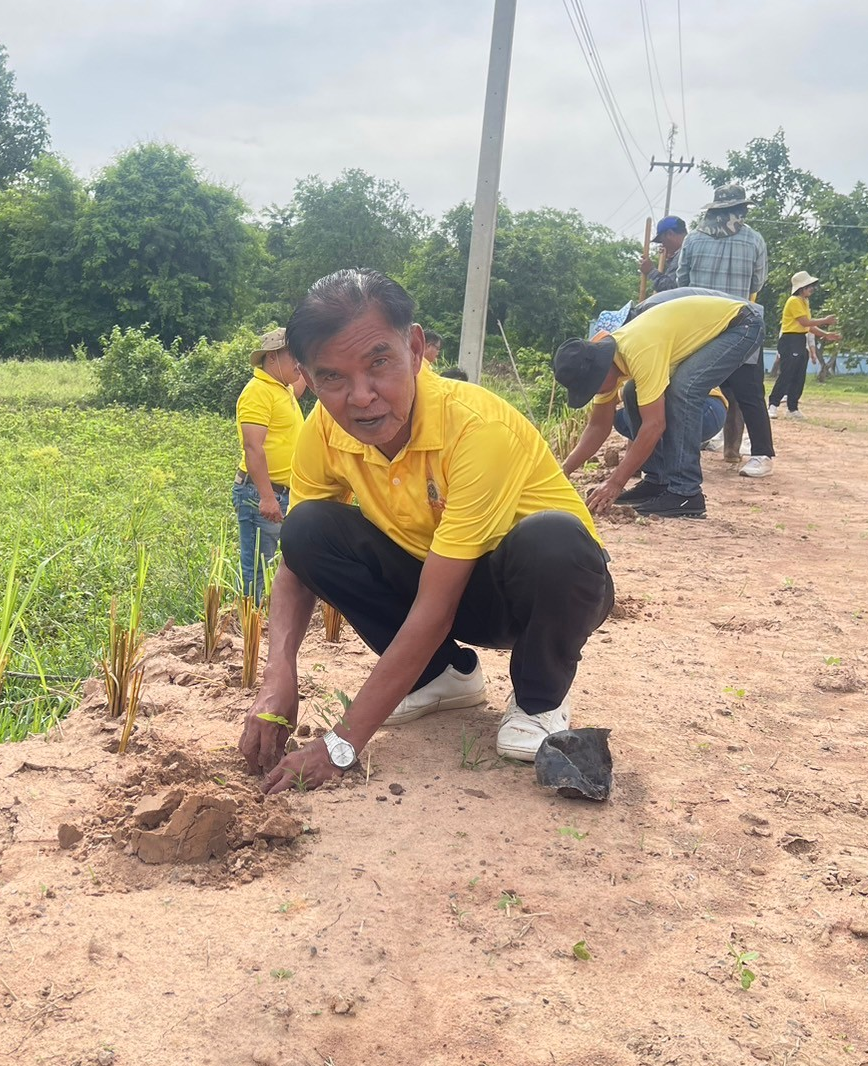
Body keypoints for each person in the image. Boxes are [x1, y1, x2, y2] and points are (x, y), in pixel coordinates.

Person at [238, 269, 613, 794]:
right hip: (440, 584)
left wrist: (343, 742)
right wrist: (279, 673)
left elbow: (437, 606)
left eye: (379, 364)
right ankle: (442, 678)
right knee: (306, 529)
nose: (362, 397)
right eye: (333, 378)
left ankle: (539, 698)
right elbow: (297, 564)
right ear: (306, 377)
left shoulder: (475, 429)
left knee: (553, 539)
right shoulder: (321, 431)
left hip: (537, 592)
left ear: (415, 348)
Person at [553, 292, 766, 520]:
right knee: (631, 391)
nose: (594, 391)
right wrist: (561, 472)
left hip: (742, 323)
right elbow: (598, 427)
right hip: (728, 324)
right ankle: (657, 481)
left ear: (601, 369)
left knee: (684, 389)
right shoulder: (607, 363)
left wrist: (615, 482)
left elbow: (654, 425)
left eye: (592, 386)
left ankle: (686, 493)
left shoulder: (639, 350)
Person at [676, 182, 774, 478]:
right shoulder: (754, 240)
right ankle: (761, 456)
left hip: (701, 331)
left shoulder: (692, 240)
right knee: (750, 395)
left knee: (688, 391)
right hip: (740, 327)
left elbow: (682, 283)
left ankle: (684, 451)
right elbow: (757, 284)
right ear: (739, 210)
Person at [233, 327, 304, 602]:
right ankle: (248, 626)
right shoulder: (258, 391)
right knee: (256, 567)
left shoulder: (281, 389)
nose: (299, 363)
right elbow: (253, 447)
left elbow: (301, 384)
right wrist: (266, 497)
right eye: (295, 356)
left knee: (274, 560)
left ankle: (259, 619)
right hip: (261, 493)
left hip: (283, 492)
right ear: (272, 358)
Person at [768, 271, 840, 420]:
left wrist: (825, 334)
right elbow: (805, 322)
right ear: (801, 288)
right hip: (790, 340)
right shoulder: (793, 301)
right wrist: (825, 321)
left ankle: (792, 408)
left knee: (799, 375)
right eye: (809, 286)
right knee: (787, 373)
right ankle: (773, 405)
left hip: (800, 339)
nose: (811, 289)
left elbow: (808, 327)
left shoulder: (804, 302)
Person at [640, 215, 688, 293]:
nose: (663, 245)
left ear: (670, 234)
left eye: (662, 241)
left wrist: (650, 271)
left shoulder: (683, 255)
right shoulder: (689, 249)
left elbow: (671, 290)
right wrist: (669, 260)